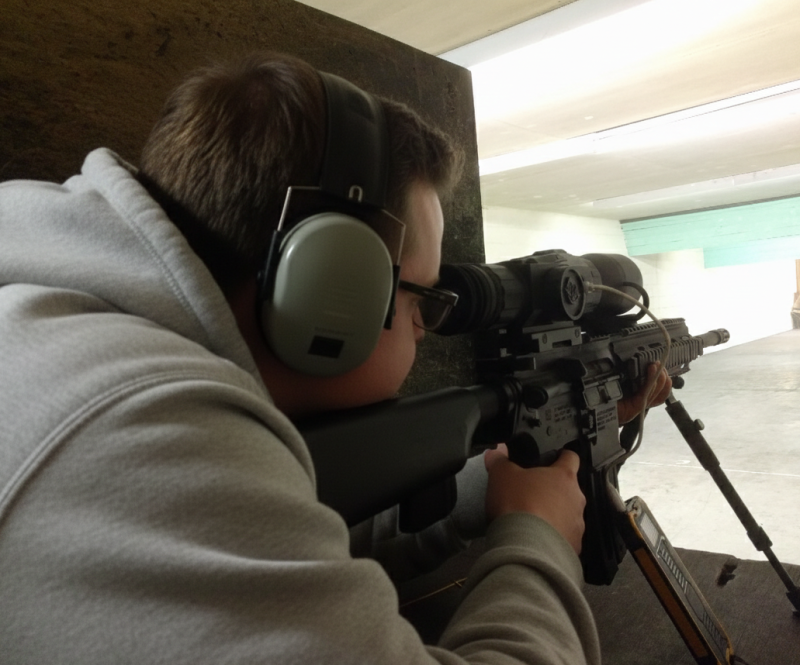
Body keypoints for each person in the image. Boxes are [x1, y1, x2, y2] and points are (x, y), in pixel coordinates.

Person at [0, 51, 668, 663]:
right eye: (421, 300)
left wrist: (491, 486)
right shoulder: (138, 426)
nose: (429, 327)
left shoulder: (65, 332)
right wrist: (537, 536)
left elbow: (271, 542)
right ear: (326, 284)